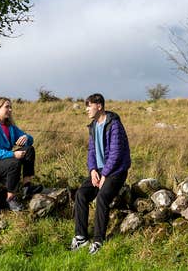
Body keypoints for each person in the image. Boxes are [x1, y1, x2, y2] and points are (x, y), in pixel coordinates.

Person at [70, 93, 131, 255]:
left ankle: (98, 240)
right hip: (99, 172)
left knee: (102, 197)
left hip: (116, 172)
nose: (87, 110)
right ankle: (81, 237)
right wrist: (92, 171)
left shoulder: (114, 124)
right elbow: (91, 151)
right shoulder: (93, 126)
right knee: (81, 194)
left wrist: (105, 174)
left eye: (89, 106)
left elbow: (116, 154)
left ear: (99, 106)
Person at [0, 97, 43, 211]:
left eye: (11, 107)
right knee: (13, 162)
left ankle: (27, 187)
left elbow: (29, 140)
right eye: (7, 107)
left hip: (2, 161)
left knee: (29, 149)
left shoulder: (9, 127)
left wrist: (26, 137)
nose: (10, 110)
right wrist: (13, 154)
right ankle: (11, 199)